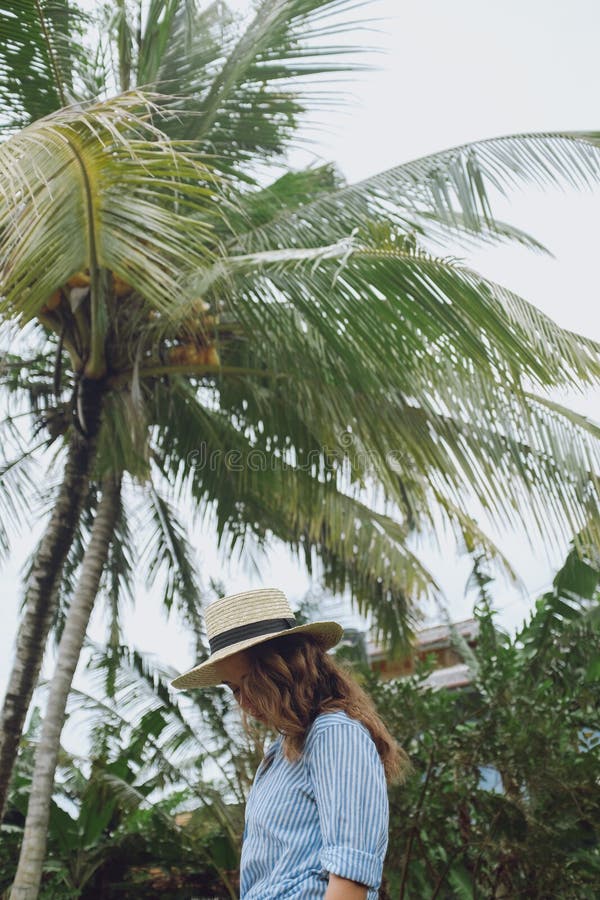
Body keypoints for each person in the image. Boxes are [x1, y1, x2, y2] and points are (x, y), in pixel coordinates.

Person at [171, 587, 412, 899]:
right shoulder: (281, 752)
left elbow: (351, 879)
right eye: (233, 689)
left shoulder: (334, 734)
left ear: (290, 666)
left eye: (250, 681)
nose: (245, 702)